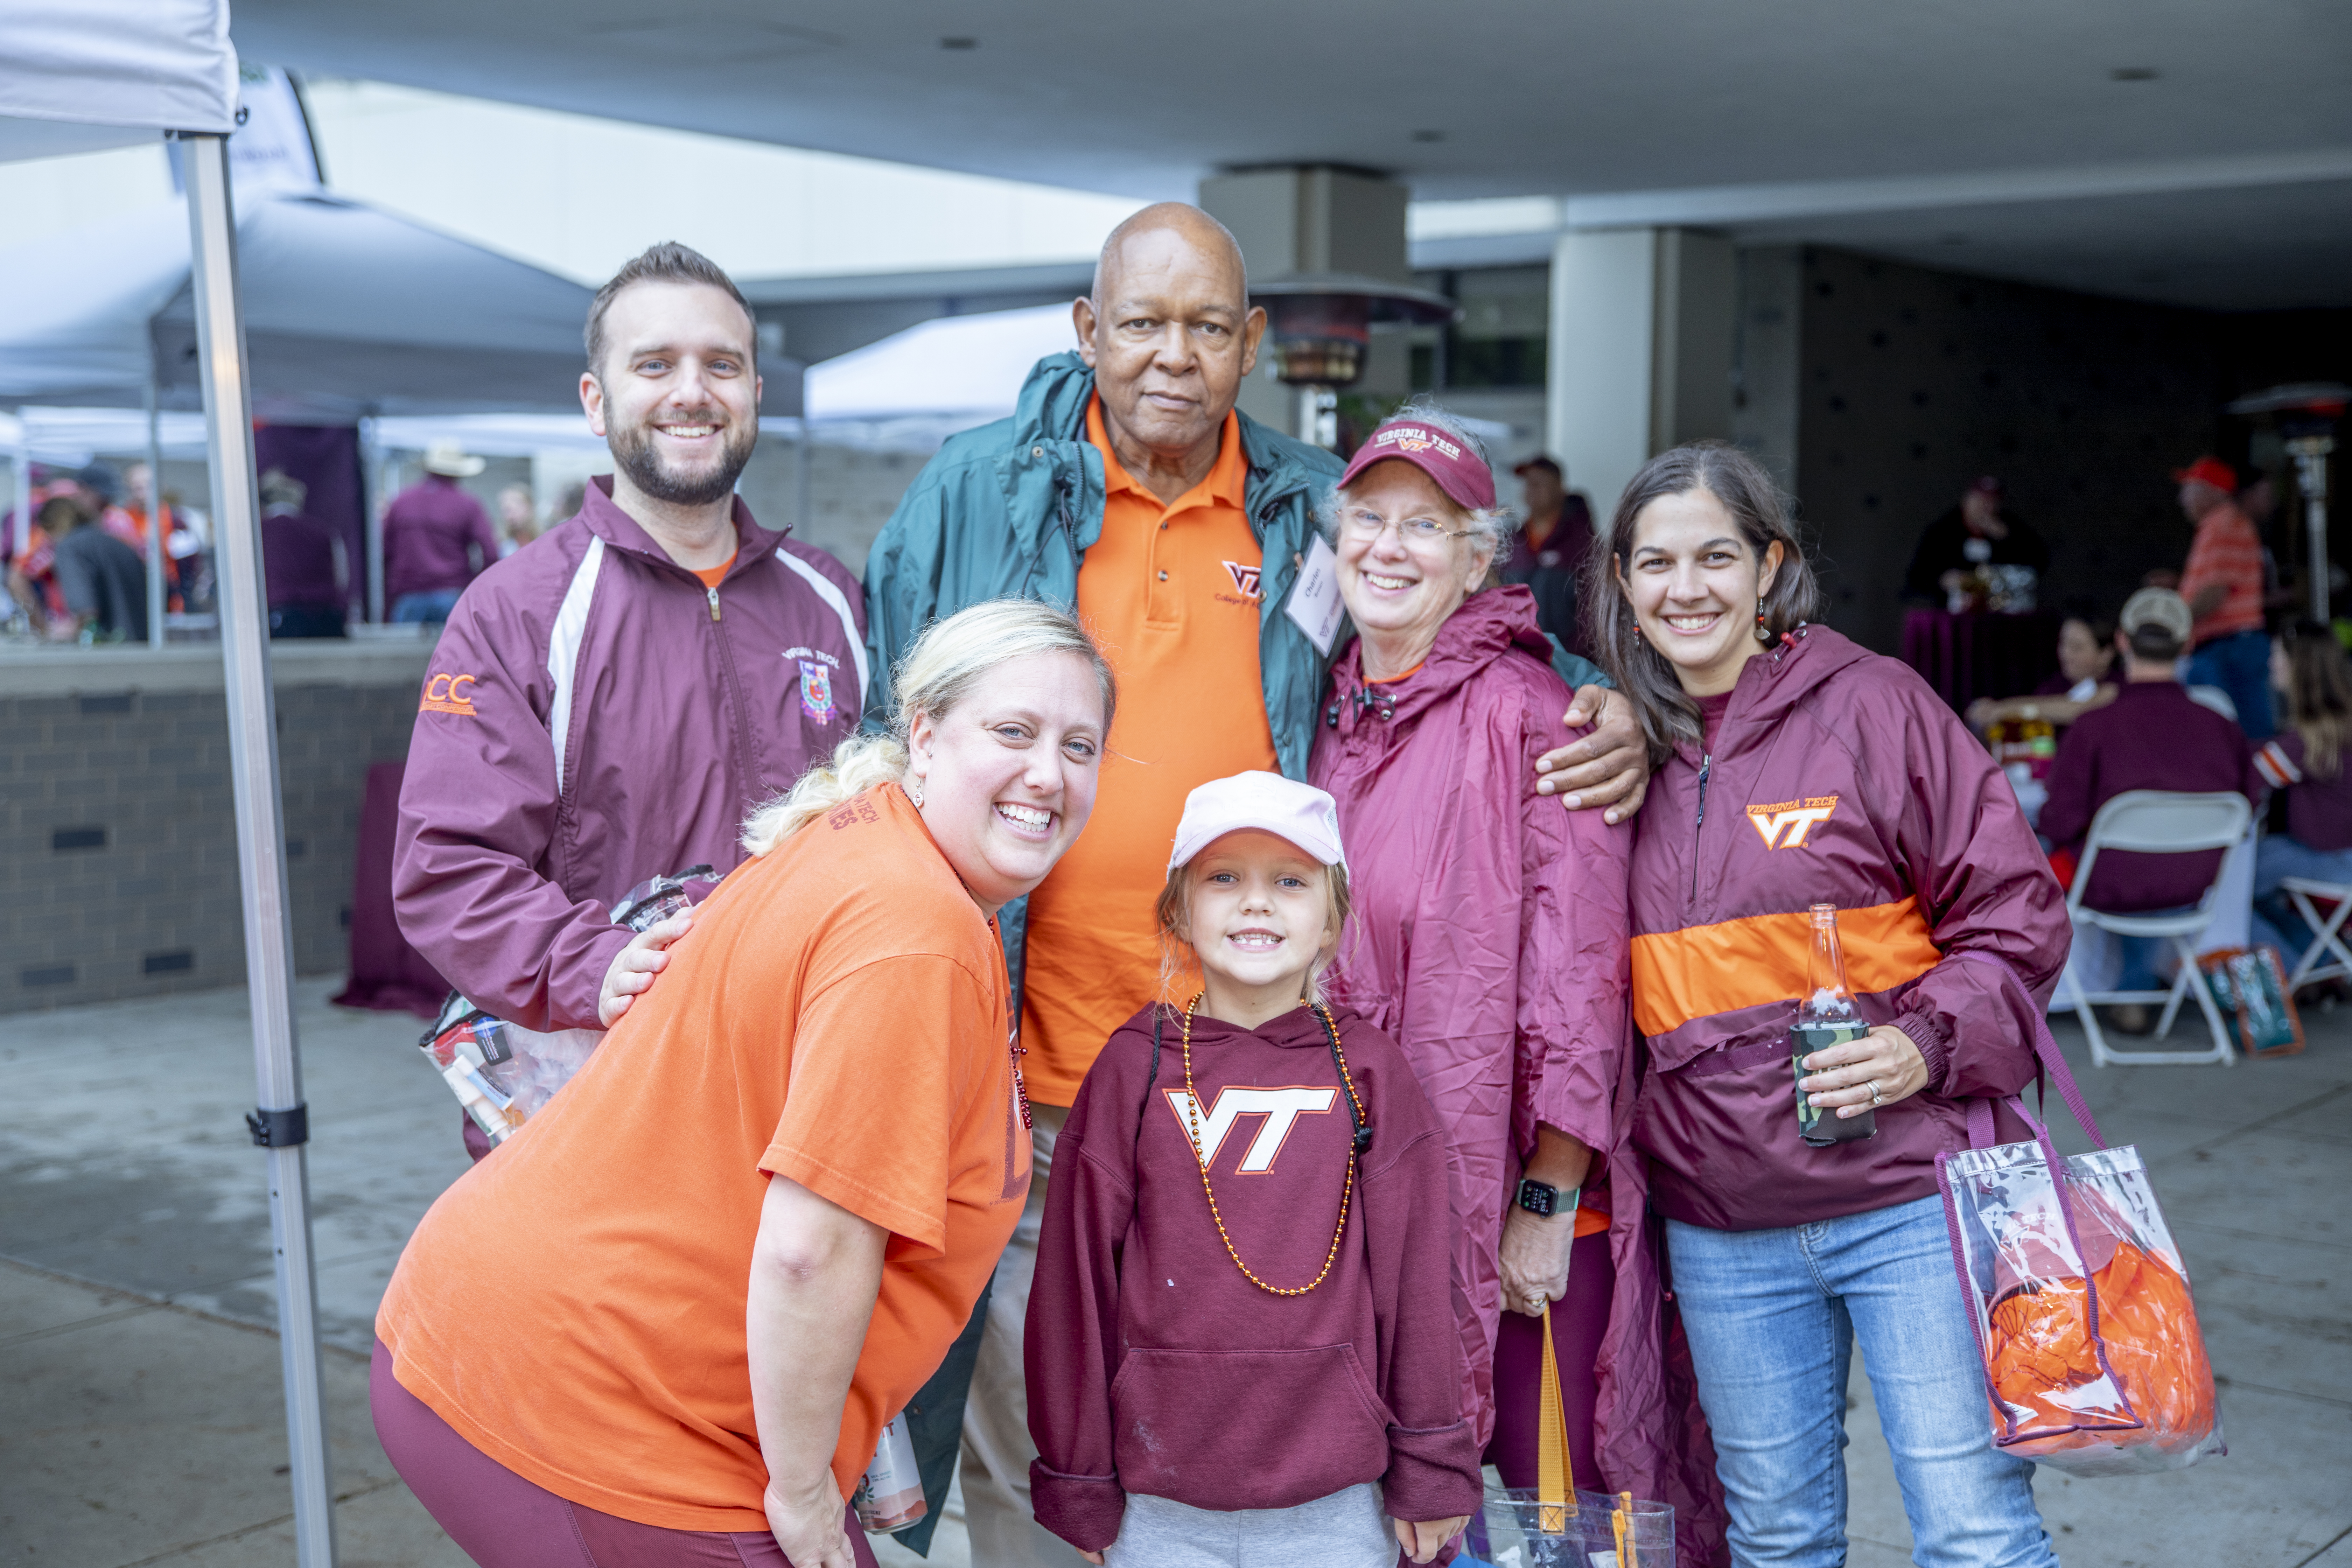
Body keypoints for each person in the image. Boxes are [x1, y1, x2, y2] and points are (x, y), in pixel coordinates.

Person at [861, 202, 1655, 1565]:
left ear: (1253, 344)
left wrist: (1604, 703)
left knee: (1255, 1468)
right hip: (1033, 1099)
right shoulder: (975, 489)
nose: (1174, 355)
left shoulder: (1304, 504)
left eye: (1208, 327)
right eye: (1145, 323)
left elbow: (1448, 628)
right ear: (1088, 330)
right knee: (1039, 1466)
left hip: (1265, 1100)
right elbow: (886, 735)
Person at [374, 598, 1114, 1568]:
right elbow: (814, 1248)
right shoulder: (915, 930)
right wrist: (806, 1495)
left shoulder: (869, 837)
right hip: (591, 1409)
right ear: (924, 737)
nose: (1047, 774)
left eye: (1081, 746)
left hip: (537, 1352)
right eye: (1013, 732)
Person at [1595, 441, 2071, 1568]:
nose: (1685, 587)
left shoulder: (1873, 705)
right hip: (1718, 1222)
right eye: (1654, 562)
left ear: (1768, 566)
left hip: (1905, 1198)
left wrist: (1919, 1045)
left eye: (1714, 554)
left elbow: (2016, 914)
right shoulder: (1615, 749)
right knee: (1776, 1536)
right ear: (1620, 581)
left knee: (1972, 1530)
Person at [1306, 404, 1713, 1532]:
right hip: (1377, 1196)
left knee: (1559, 1515)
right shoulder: (1332, 713)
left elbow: (1581, 985)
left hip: (1525, 1202)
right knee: (1411, 1506)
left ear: (1478, 555)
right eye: (1368, 521)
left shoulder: (1537, 716)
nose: (1388, 548)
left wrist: (1543, 1196)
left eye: (1424, 527)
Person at [393, 241, 869, 1158]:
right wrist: (598, 964)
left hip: (808, 1090)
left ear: (755, 395)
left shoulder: (832, 598)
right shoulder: (520, 608)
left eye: (721, 365)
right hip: (610, 1099)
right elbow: (450, 868)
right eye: (654, 364)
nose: (691, 391)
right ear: (595, 399)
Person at [1026, 772, 1479, 1567]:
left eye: (1290, 882)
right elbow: (1075, 1286)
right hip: (1161, 1505)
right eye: (1225, 877)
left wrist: (1433, 1462)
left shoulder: (1371, 1072)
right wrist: (1078, 1478)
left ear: (1334, 918)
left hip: (1336, 1504)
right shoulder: (1135, 1070)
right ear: (1180, 909)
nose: (1256, 902)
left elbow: (1419, 1284)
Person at [2037, 587, 2259, 1030]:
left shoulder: (2094, 727)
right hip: (2195, 884)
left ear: (2121, 642)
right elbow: (2250, 805)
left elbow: (2058, 820)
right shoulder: (2222, 727)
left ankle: (2040, 992)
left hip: (2109, 883)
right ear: (2188, 644)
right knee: (2140, 866)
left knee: (2053, 854)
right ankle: (2134, 987)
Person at [2248, 622, 2352, 966]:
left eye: (2277, 655)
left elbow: (2254, 776)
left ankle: (2292, 973)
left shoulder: (2306, 739)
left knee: (2222, 888)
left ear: (2298, 668)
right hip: (2340, 855)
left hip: (2327, 859)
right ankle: (2323, 961)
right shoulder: (2338, 724)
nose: (2270, 663)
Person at [2175, 454, 2274, 738]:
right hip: (2225, 647)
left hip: (2229, 648)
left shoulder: (2225, 524)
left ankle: (2255, 784)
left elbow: (2214, 592)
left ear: (2212, 491)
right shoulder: (2218, 525)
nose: (2183, 499)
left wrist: (2171, 623)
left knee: (2234, 733)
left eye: (2189, 489)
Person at [383, 442, 501, 622]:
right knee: (453, 650)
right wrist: (474, 585)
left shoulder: (401, 502)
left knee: (403, 651)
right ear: (457, 473)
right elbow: (490, 552)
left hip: (408, 595)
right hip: (451, 594)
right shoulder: (467, 505)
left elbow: (385, 551)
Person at [1964, 607, 2119, 734]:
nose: (2066, 654)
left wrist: (2002, 710)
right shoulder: (2052, 686)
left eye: (2077, 648)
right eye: (2063, 644)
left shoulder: (2118, 685)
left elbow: (2080, 710)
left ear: (2106, 654)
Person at [1901, 475, 2048, 609]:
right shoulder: (1943, 531)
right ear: (1967, 500)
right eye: (1981, 500)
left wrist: (2008, 540)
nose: (1987, 508)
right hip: (1951, 615)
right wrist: (1943, 581)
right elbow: (1917, 578)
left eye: (1993, 502)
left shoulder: (2011, 528)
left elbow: (2039, 562)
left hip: (1999, 610)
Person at [1499, 454, 1594, 645]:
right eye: (1529, 482)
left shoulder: (1583, 544)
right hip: (1516, 659)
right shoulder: (1513, 541)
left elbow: (1592, 613)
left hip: (1566, 665)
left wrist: (1574, 662)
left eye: (1541, 482)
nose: (1532, 488)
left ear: (1560, 488)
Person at [258, 469, 349, 639]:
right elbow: (342, 580)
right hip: (326, 623)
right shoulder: (326, 533)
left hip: (279, 621)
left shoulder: (256, 535)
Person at [48, 493, 150, 642]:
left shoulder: (69, 547)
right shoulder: (120, 545)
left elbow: (86, 612)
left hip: (108, 649)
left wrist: (65, 632)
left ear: (52, 526)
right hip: (141, 644)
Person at [496, 482, 542, 555]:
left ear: (531, 507)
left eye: (517, 502)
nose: (509, 507)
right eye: (504, 504)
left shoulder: (546, 540)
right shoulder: (499, 545)